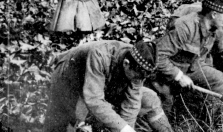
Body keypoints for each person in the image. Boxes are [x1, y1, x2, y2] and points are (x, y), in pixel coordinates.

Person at [153, 0, 223, 116]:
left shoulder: (216, 28)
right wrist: (178, 76)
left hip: (193, 66)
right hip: (167, 71)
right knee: (165, 107)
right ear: (214, 15)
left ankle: (214, 118)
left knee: (217, 78)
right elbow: (159, 56)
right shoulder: (185, 27)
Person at [44, 40, 172, 132]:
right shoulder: (100, 55)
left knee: (150, 99)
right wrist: (122, 127)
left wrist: (127, 127)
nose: (138, 81)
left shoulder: (138, 64)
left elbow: (131, 103)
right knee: (66, 124)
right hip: (69, 78)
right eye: (137, 77)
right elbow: (94, 100)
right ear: (126, 64)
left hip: (101, 82)